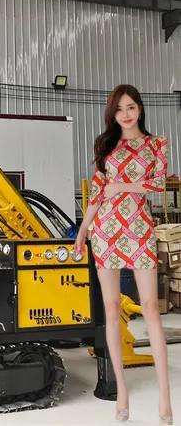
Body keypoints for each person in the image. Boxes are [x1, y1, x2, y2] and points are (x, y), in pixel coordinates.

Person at [74, 84, 173, 424]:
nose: (126, 114)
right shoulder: (106, 145)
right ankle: (122, 392)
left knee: (150, 308)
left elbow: (159, 183)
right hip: (106, 231)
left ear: (140, 109)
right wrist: (84, 229)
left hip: (140, 229)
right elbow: (98, 192)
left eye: (131, 107)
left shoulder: (156, 144)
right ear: (112, 114)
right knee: (113, 308)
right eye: (119, 109)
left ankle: (165, 398)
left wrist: (123, 186)